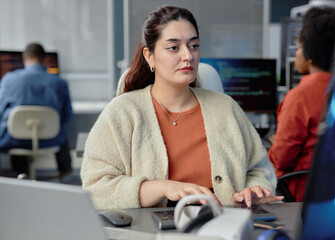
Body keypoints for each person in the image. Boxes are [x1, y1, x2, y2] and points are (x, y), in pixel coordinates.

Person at [81, 5, 283, 209]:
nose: (188, 55)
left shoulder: (226, 108)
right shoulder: (122, 112)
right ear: (149, 56)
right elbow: (95, 189)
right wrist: (162, 187)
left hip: (223, 226)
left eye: (194, 45)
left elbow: (259, 170)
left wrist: (255, 189)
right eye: (174, 47)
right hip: (152, 231)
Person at [267, 7, 335, 202]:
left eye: (298, 46)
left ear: (309, 53)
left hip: (304, 196)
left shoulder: (300, 96)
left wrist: (273, 145)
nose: (297, 52)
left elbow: (282, 159)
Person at [0, 43, 73, 178]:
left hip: (14, 139)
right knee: (63, 133)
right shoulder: (60, 83)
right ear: (44, 59)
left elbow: (1, 111)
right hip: (50, 139)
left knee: (11, 132)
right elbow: (67, 117)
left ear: (24, 58)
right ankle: (65, 173)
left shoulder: (8, 80)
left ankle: (22, 174)